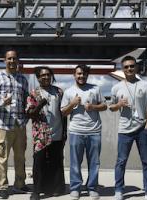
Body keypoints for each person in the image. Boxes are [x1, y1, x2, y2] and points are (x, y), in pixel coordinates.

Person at [109, 56, 147, 200]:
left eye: (132, 66)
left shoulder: (146, 85)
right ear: (122, 69)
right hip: (124, 131)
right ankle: (119, 190)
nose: (129, 69)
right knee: (121, 161)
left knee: (146, 161)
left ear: (136, 67)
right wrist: (118, 105)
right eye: (126, 67)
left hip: (142, 129)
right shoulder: (116, 87)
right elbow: (111, 107)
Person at [0, 50, 29, 199]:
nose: (12, 61)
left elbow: (26, 100)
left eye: (14, 58)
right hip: (3, 125)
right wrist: (2, 102)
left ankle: (20, 184)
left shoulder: (23, 79)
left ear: (18, 60)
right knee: (1, 157)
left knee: (20, 157)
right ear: (4, 60)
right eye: (9, 58)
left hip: (19, 125)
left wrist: (28, 111)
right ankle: (2, 186)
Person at [61, 65, 107, 200]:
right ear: (74, 75)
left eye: (84, 74)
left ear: (87, 75)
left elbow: (104, 105)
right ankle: (76, 188)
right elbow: (63, 112)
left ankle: (92, 188)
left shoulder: (95, 89)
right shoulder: (69, 92)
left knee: (94, 162)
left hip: (94, 131)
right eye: (79, 74)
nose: (81, 76)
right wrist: (73, 103)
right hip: (76, 131)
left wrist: (93, 107)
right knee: (75, 162)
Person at [26, 66, 66, 200]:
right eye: (42, 75)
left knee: (56, 161)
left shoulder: (59, 92)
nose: (46, 77)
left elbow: (63, 113)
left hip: (57, 132)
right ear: (38, 78)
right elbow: (31, 114)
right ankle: (36, 191)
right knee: (39, 162)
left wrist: (64, 131)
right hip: (41, 134)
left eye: (48, 74)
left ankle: (55, 188)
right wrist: (40, 104)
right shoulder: (34, 93)